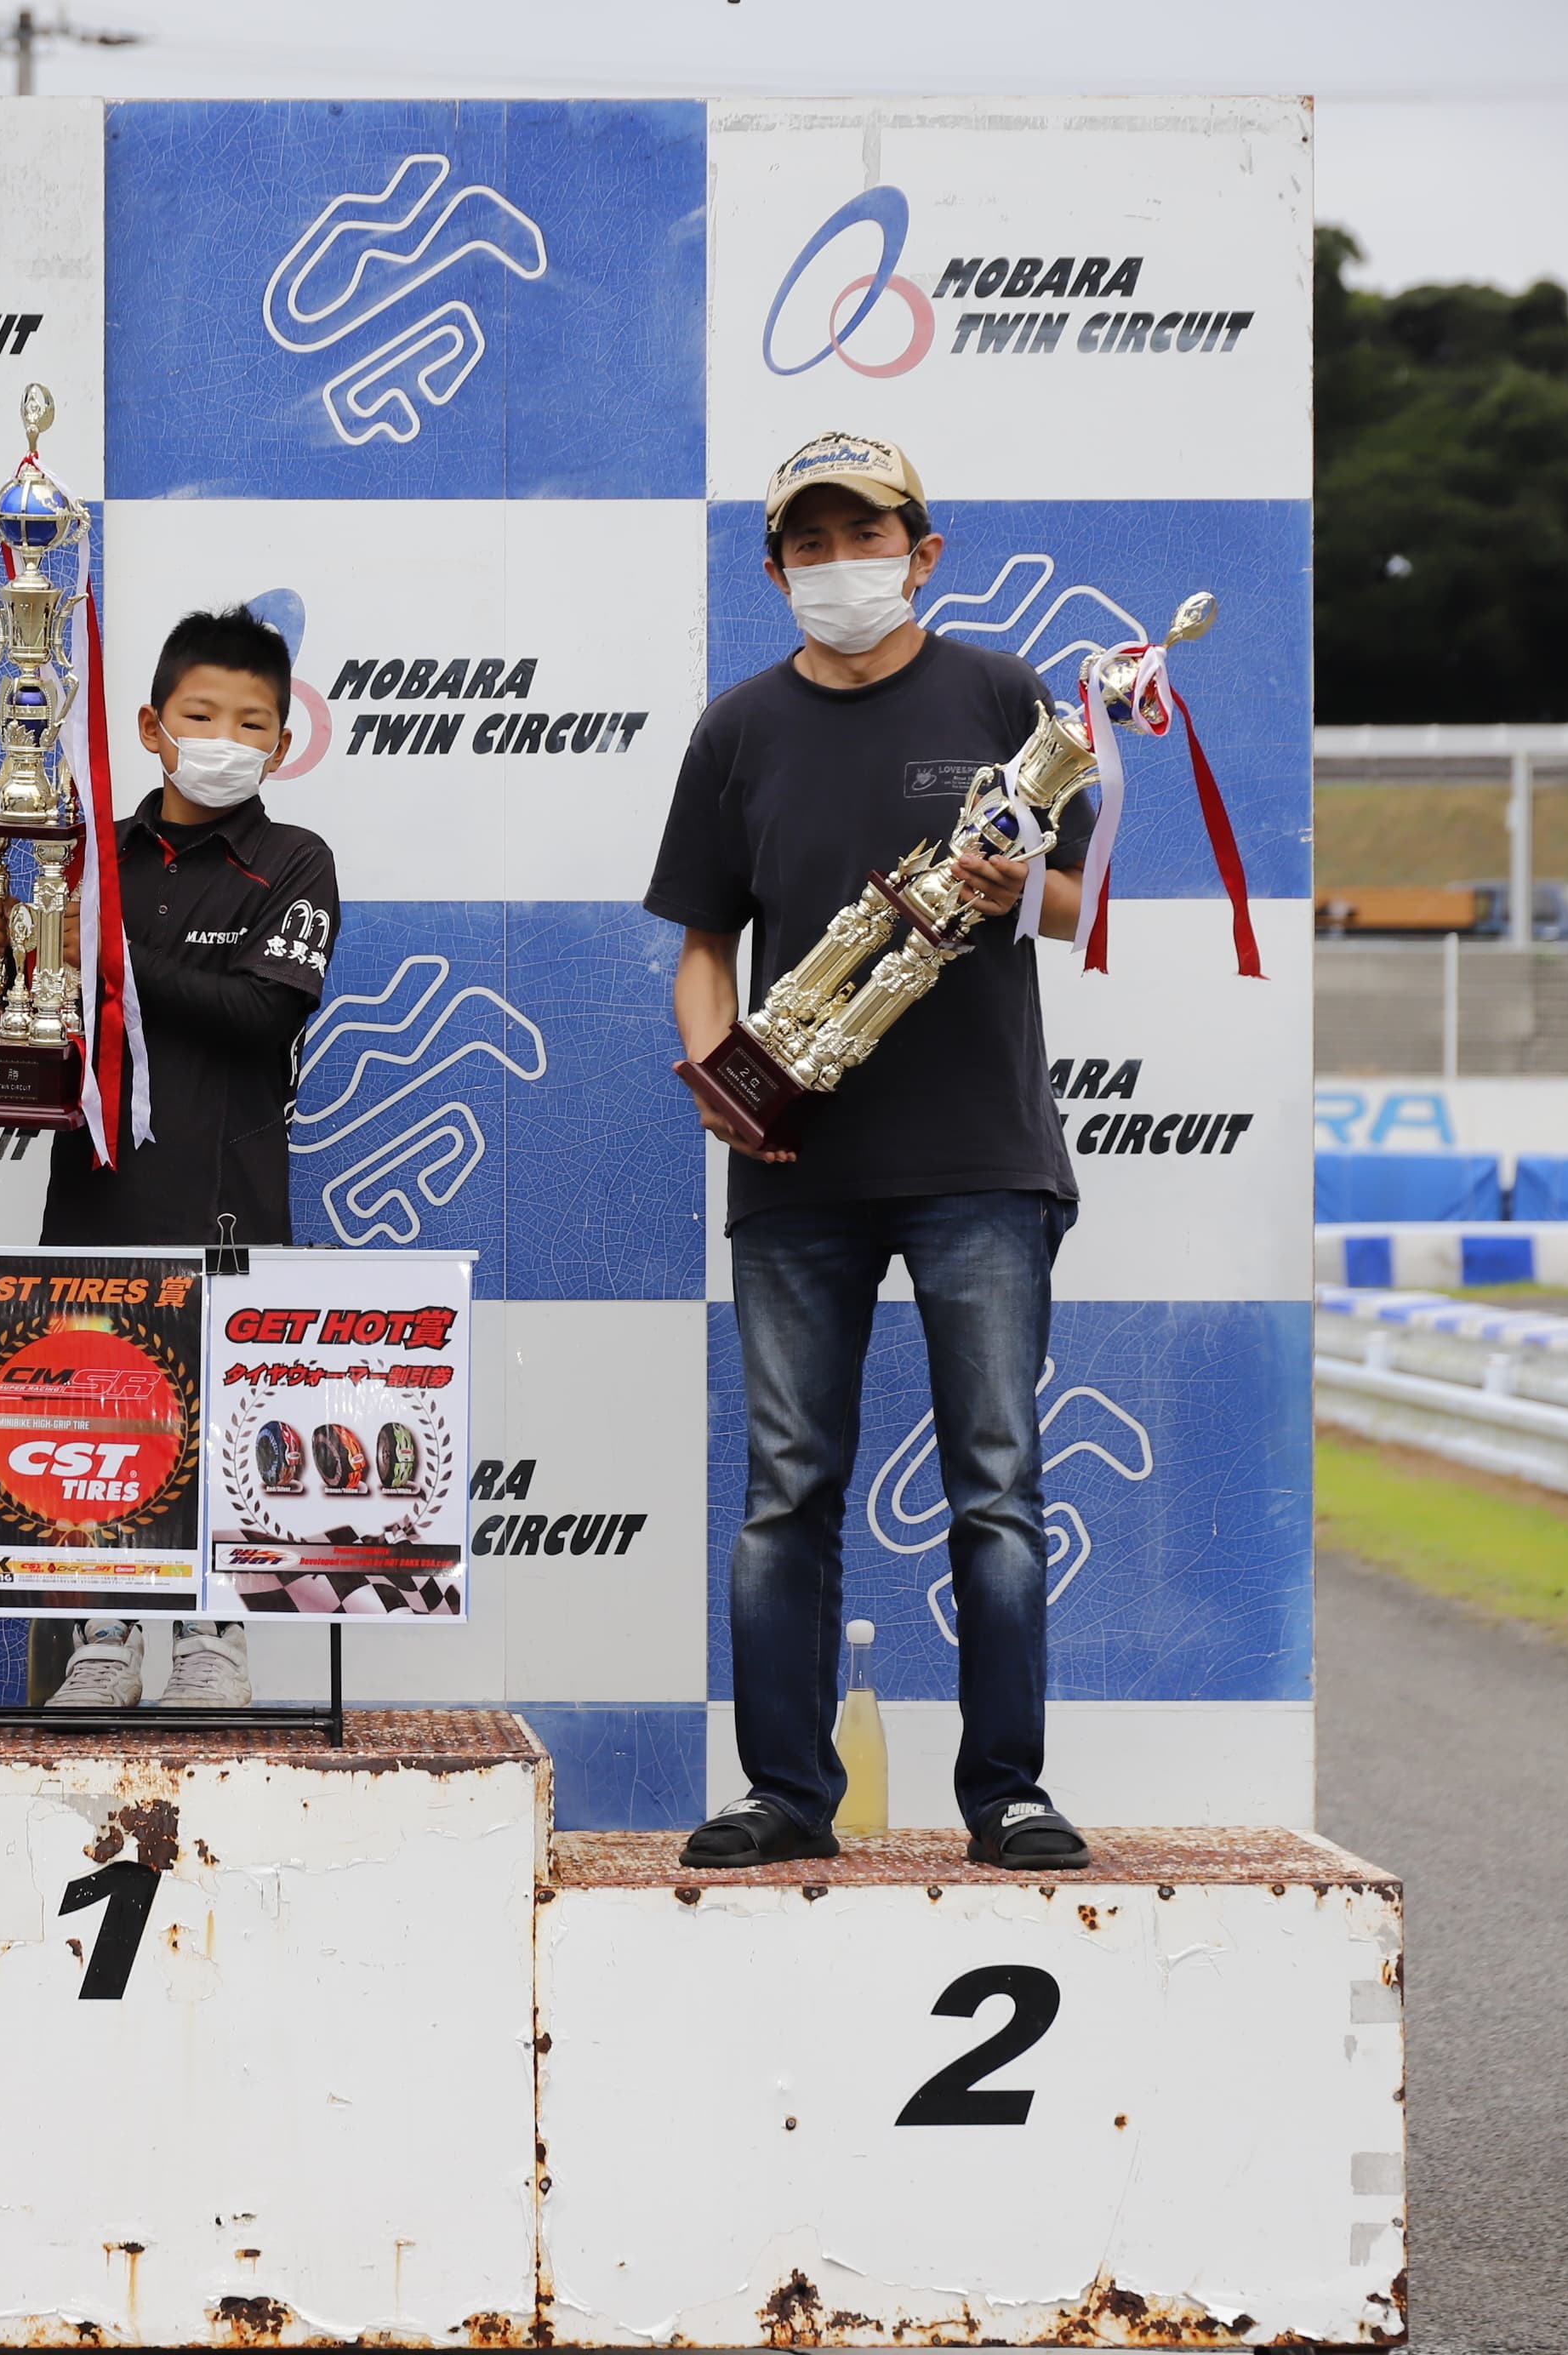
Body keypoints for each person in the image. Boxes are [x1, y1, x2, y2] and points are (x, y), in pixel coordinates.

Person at [641, 431, 1095, 1872]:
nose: (842, 563)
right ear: (776, 569)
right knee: (787, 1492)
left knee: (997, 1488)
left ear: (923, 551)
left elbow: (1084, 903)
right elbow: (704, 946)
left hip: (983, 1159)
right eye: (812, 543)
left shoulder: (1005, 697)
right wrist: (717, 1076)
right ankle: (787, 1793)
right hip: (796, 1170)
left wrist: (1024, 881)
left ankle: (1007, 1793)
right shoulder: (737, 729)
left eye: (868, 535)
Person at [32, 605, 340, 1711]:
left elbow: (263, 1013)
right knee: (96, 1413)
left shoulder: (294, 862)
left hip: (227, 1200)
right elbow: (51, 1010)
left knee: (221, 1419)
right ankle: (104, 1635)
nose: (223, 740)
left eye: (250, 723)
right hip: (96, 1194)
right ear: (151, 727)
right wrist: (40, 959)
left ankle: (215, 1638)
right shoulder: (96, 861)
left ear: (282, 743)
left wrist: (114, 956)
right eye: (200, 716)